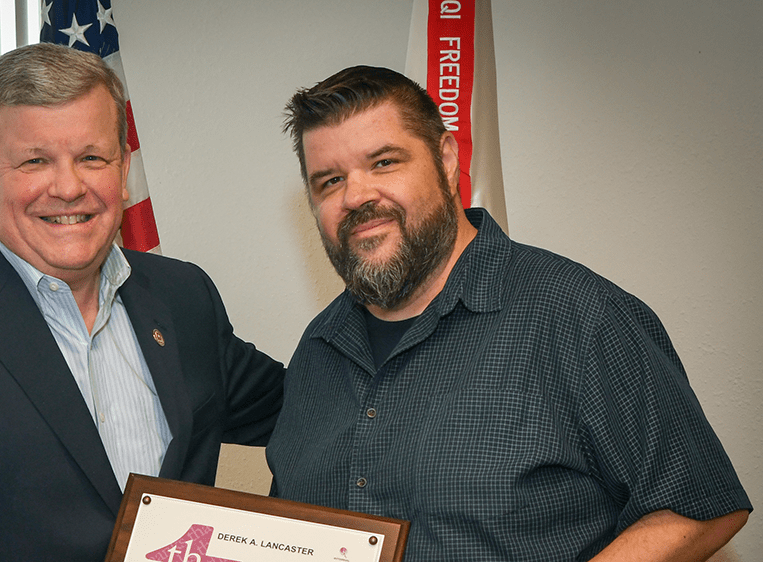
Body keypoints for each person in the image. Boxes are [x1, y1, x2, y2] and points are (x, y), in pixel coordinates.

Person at [0, 43, 284, 562]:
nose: (68, 187)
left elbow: (307, 406)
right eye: (36, 161)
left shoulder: (183, 296)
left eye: (91, 158)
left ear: (123, 169)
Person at [266, 65, 751, 561]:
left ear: (446, 160)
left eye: (385, 162)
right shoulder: (318, 349)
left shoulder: (581, 317)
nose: (357, 196)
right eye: (330, 181)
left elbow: (697, 507)